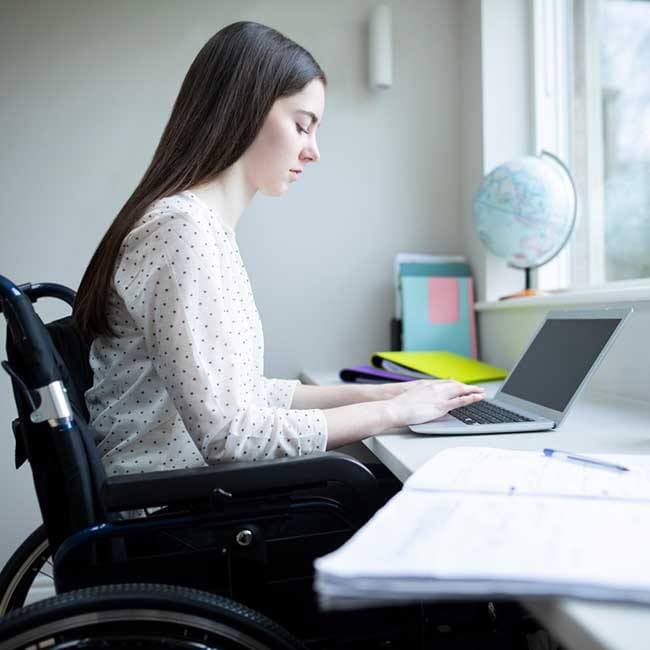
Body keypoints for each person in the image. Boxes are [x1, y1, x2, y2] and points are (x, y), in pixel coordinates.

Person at [73, 21, 484, 476]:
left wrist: (388, 394)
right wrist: (393, 414)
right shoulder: (180, 230)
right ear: (242, 110)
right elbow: (230, 437)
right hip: (169, 513)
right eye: (302, 126)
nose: (313, 151)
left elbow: (245, 396)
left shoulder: (204, 230)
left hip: (190, 497)